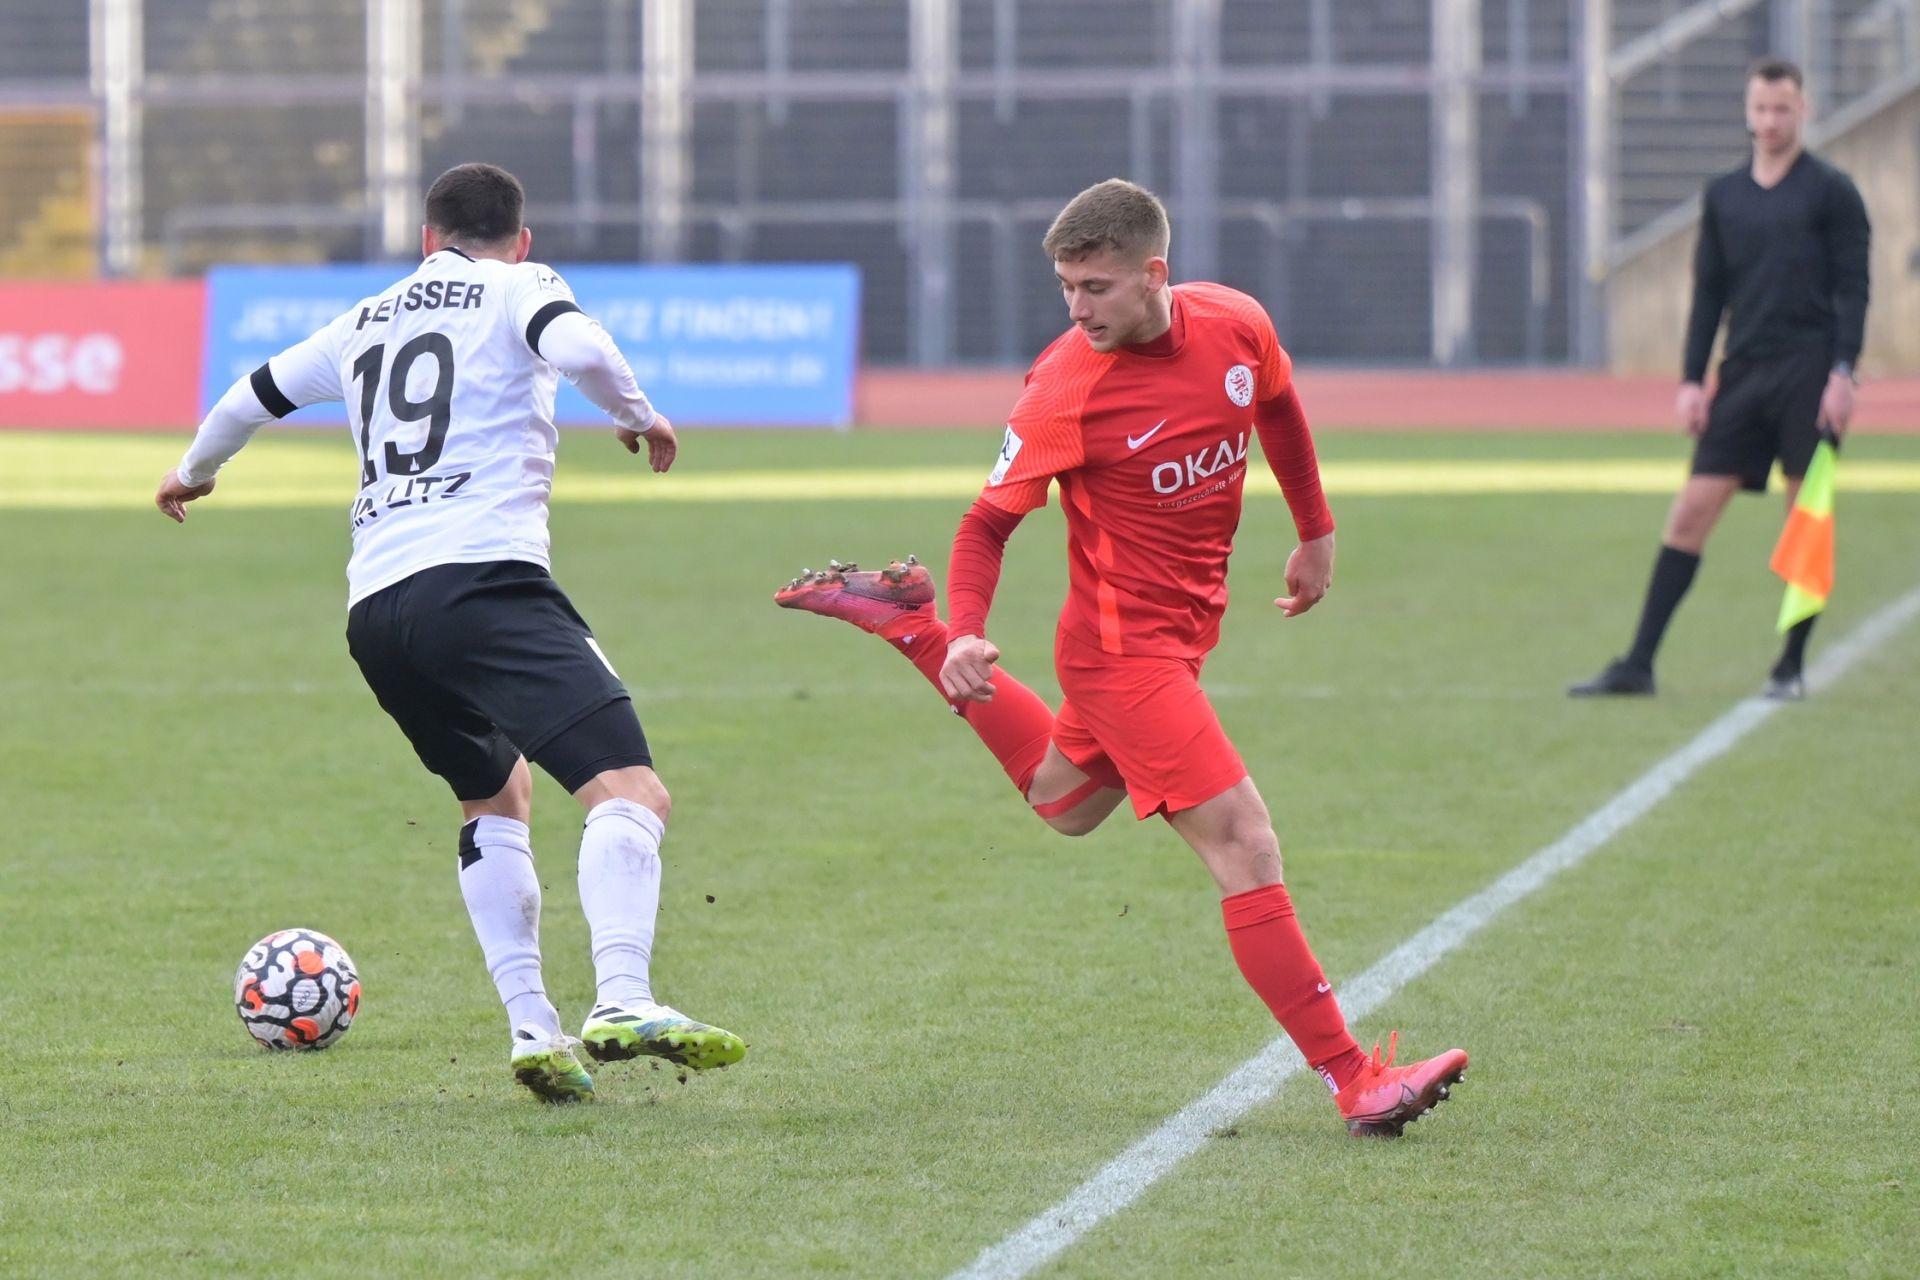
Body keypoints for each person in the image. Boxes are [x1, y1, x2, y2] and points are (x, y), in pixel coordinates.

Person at [776, 179, 1467, 1137]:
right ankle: (1354, 1078)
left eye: (1095, 287)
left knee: (1064, 804)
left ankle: (907, 625)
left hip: (1180, 635)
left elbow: (1279, 407)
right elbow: (985, 525)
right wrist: (974, 624)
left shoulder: (1235, 324)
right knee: (1245, 841)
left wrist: (1316, 531)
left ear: (1154, 275)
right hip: (1120, 654)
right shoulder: (1065, 386)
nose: (1076, 307)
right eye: (1065, 287)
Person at [156, 162, 745, 1102]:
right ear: (522, 239)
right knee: (631, 791)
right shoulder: (521, 287)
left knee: (495, 798)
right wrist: (640, 415)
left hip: (378, 612)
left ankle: (534, 1029)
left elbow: (247, 398)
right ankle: (623, 998)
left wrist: (193, 472)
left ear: (428, 238)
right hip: (484, 582)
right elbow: (580, 345)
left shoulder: (363, 319)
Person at [1571, 57, 1870, 700]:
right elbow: (1709, 293)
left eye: (1782, 109)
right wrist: (1691, 380)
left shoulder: (1832, 191)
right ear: (1747, 111)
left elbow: (1854, 288)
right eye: (1760, 108)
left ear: (1803, 110)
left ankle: (1790, 667)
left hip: (1810, 373)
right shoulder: (1725, 195)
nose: (1770, 120)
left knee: (1806, 522)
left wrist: (1844, 372)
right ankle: (1638, 664)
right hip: (1743, 375)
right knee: (1690, 513)